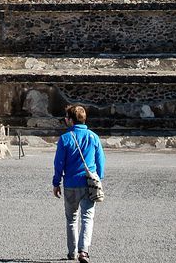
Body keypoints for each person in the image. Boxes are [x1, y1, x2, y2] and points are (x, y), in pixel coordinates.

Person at [53, 105, 105, 263]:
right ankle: (84, 251)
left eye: (66, 117)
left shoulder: (65, 138)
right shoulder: (93, 137)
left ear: (70, 120)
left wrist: (56, 182)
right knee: (87, 218)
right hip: (88, 183)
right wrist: (98, 178)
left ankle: (72, 252)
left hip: (70, 183)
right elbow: (100, 161)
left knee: (71, 218)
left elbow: (59, 163)